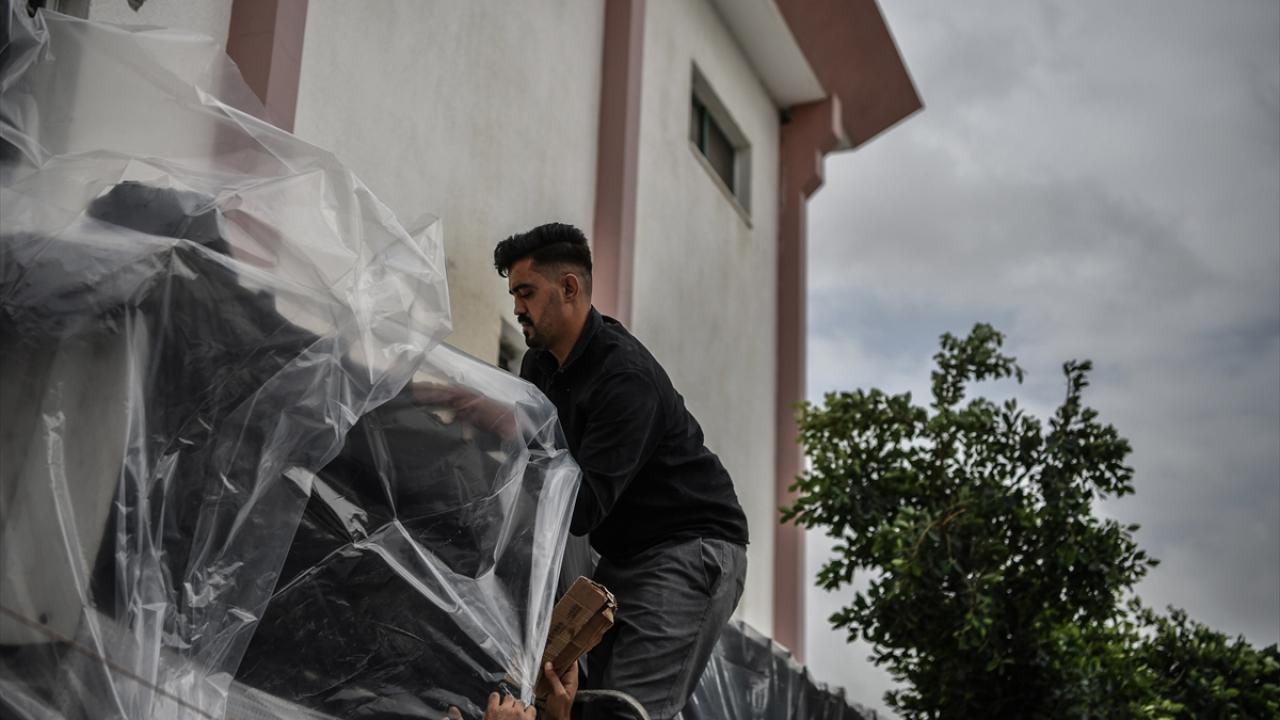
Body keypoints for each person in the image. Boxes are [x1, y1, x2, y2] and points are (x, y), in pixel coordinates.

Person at [493, 223, 749, 720]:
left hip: (688, 548)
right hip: (622, 553)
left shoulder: (624, 378)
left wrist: (493, 424)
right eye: (513, 295)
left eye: (526, 292)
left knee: (621, 710)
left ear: (569, 288)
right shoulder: (540, 365)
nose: (518, 307)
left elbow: (581, 507)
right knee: (577, 696)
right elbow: (534, 455)